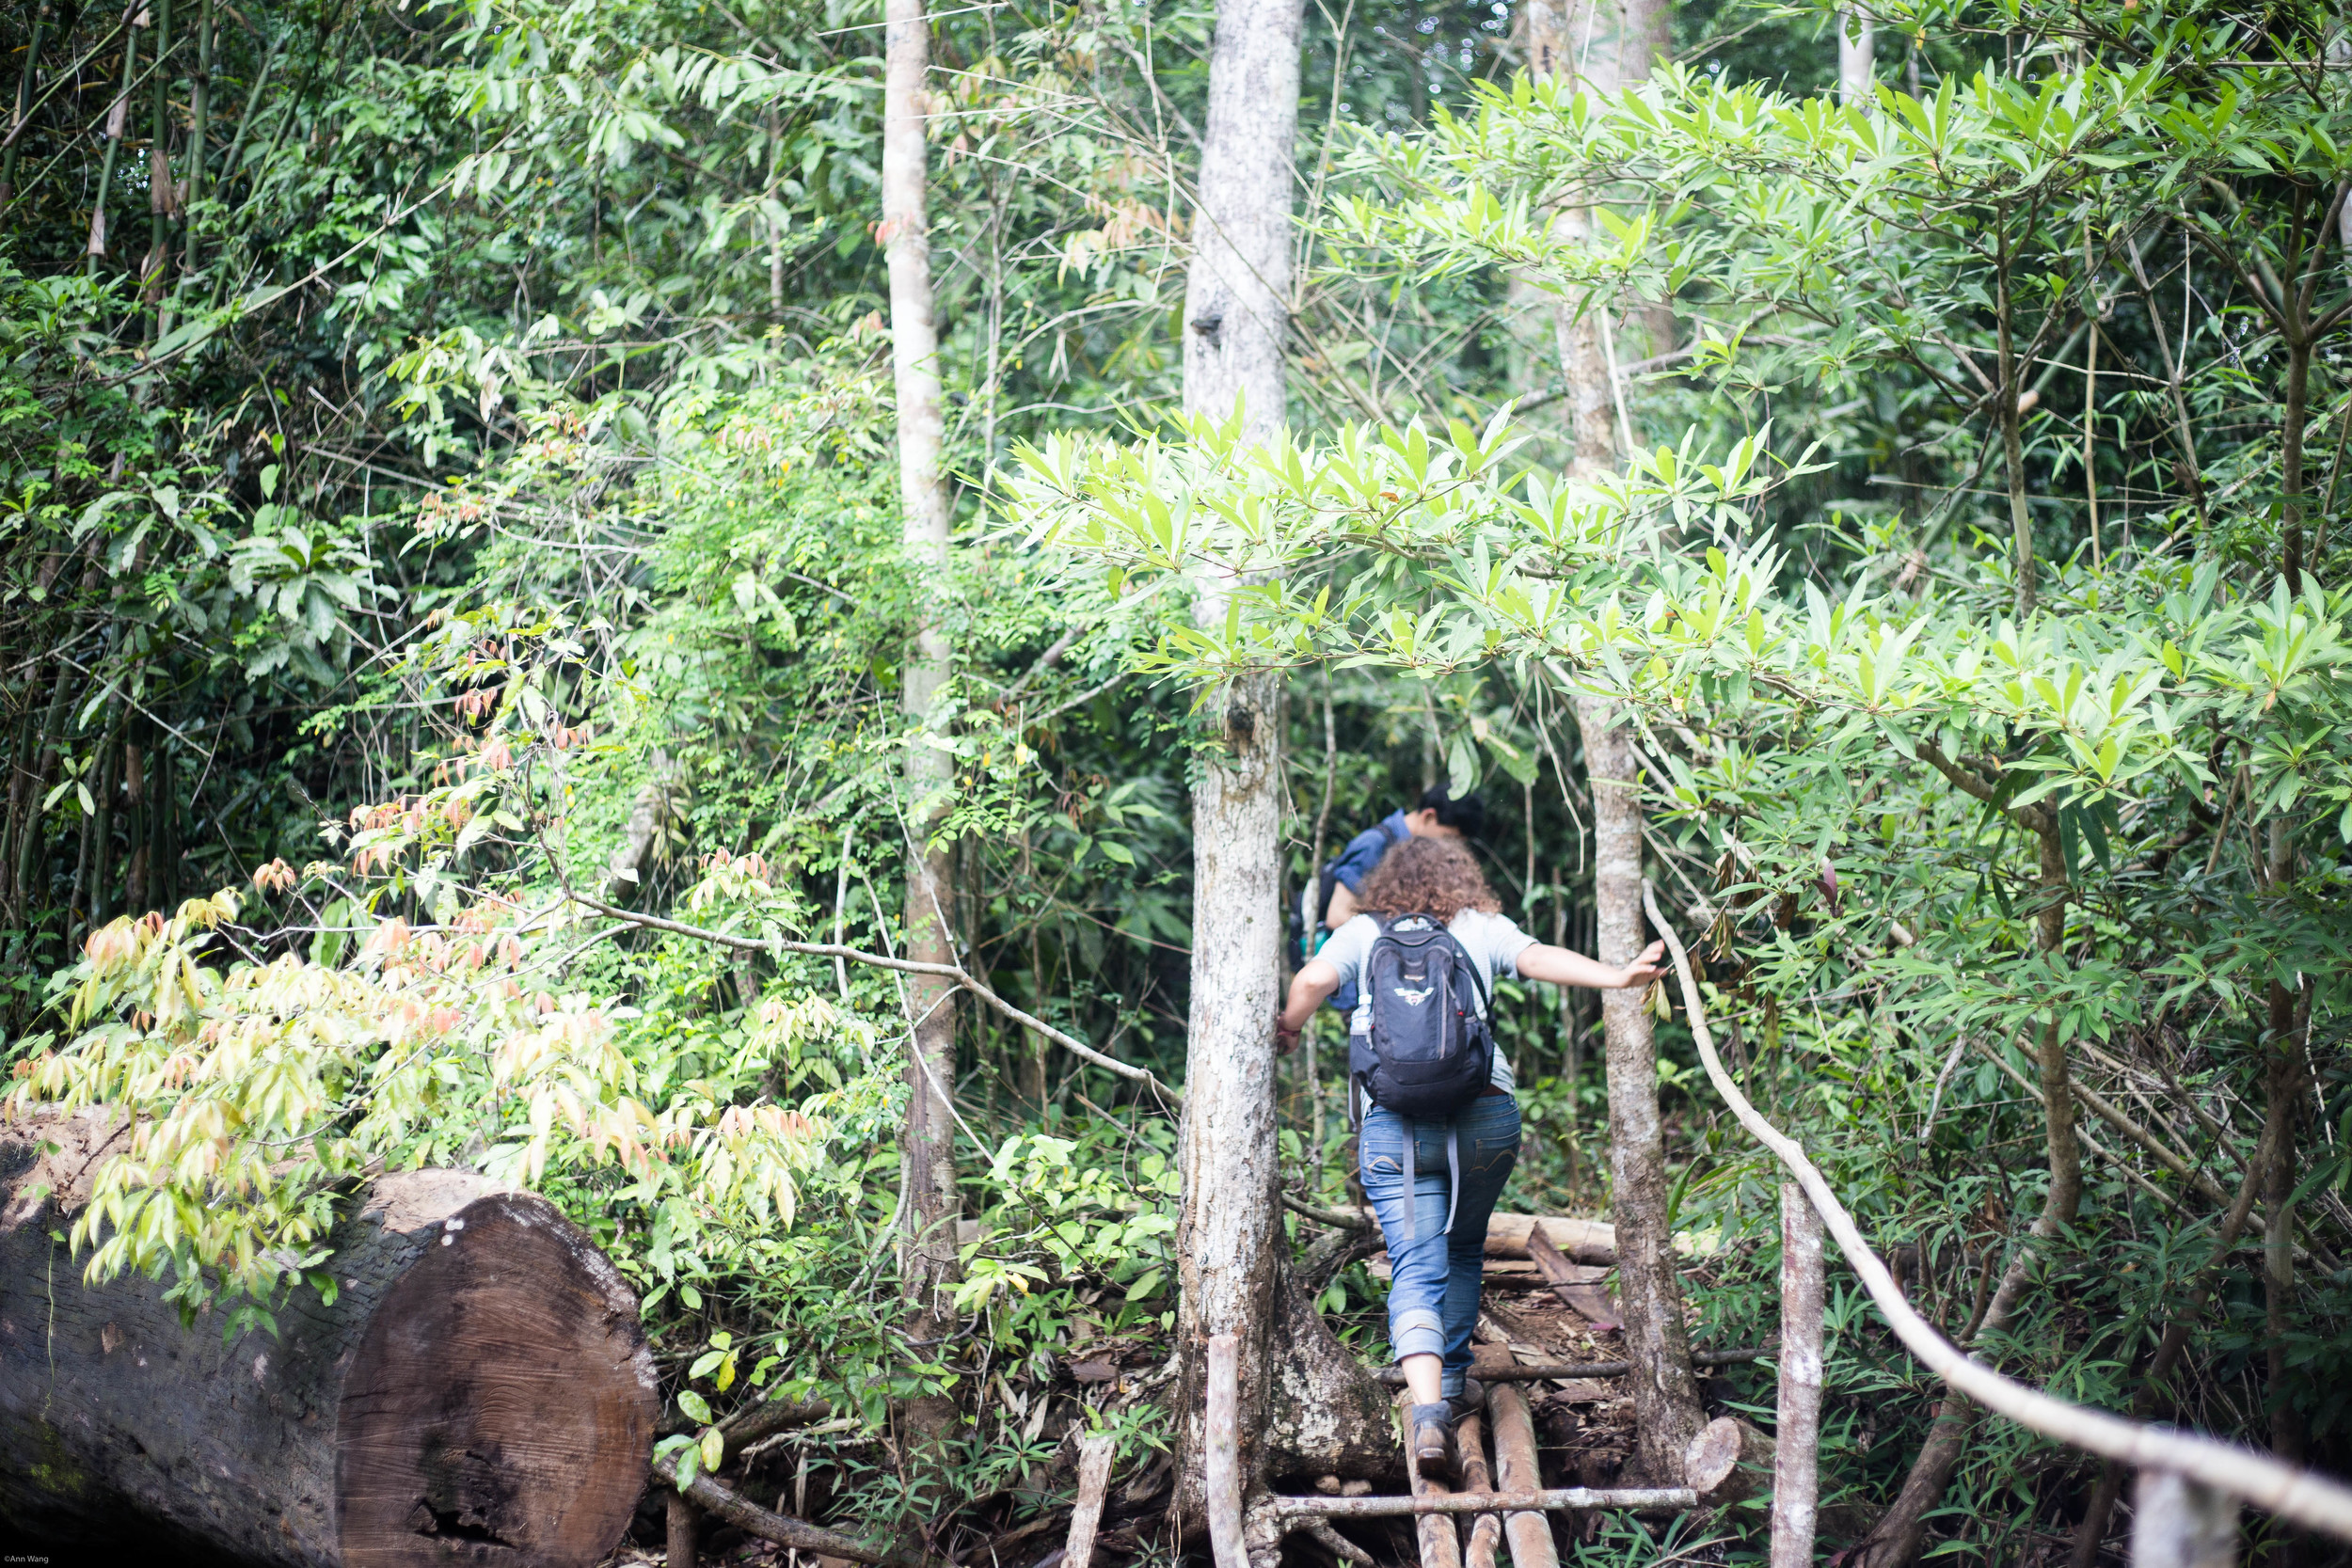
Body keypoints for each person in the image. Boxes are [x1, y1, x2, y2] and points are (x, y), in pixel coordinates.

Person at [1274, 835, 1666, 1481]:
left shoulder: (1364, 930)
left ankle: (1427, 1412)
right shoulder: (1479, 925)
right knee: (1462, 1247)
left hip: (1394, 1124)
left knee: (1414, 1262)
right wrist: (1618, 975)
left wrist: (1290, 1022)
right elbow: (1538, 958)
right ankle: (1453, 1384)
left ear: (1386, 882)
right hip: (1485, 1114)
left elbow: (1315, 977)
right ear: (1461, 876)